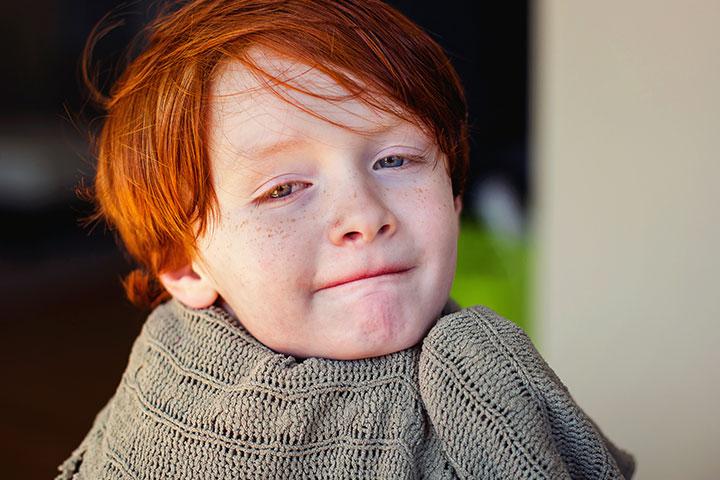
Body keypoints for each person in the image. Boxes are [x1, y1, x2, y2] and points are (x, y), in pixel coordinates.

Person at [57, 0, 635, 478]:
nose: (363, 214)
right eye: (283, 189)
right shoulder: (159, 418)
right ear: (186, 266)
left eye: (395, 159)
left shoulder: (490, 377)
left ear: (455, 198)